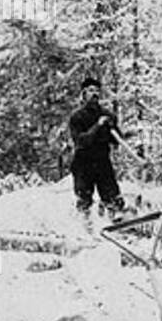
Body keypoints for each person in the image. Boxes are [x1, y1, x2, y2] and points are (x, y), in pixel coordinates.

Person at [67, 76, 126, 221]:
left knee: (112, 196)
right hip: (83, 163)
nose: (95, 94)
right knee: (84, 200)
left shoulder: (107, 115)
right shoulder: (77, 117)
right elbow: (81, 141)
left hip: (102, 161)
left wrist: (113, 128)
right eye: (91, 90)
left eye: (97, 91)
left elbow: (116, 140)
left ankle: (117, 224)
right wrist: (97, 126)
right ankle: (84, 229)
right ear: (84, 94)